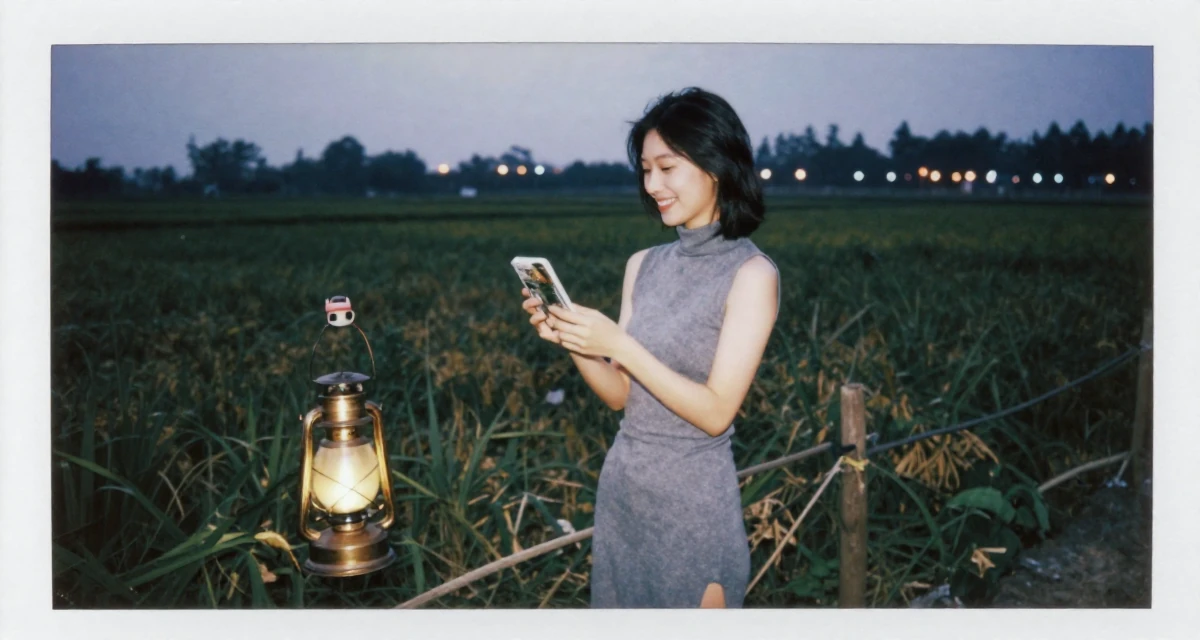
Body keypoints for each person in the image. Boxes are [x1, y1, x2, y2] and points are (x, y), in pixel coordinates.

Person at [520, 87, 780, 608]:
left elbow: (715, 412)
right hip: (623, 495)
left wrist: (619, 343)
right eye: (645, 170)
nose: (653, 184)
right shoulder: (644, 264)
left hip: (693, 508)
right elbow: (621, 395)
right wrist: (577, 341)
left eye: (667, 167)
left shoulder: (752, 275)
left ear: (717, 166)